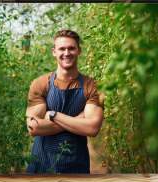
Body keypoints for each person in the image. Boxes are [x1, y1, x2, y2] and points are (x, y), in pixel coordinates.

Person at [26, 29, 104, 174]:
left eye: (71, 48)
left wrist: (54, 115)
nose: (66, 53)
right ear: (54, 52)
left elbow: (92, 128)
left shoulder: (91, 86)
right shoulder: (41, 83)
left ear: (79, 50)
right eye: (62, 49)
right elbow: (34, 127)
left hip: (77, 166)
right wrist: (79, 120)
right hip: (42, 165)